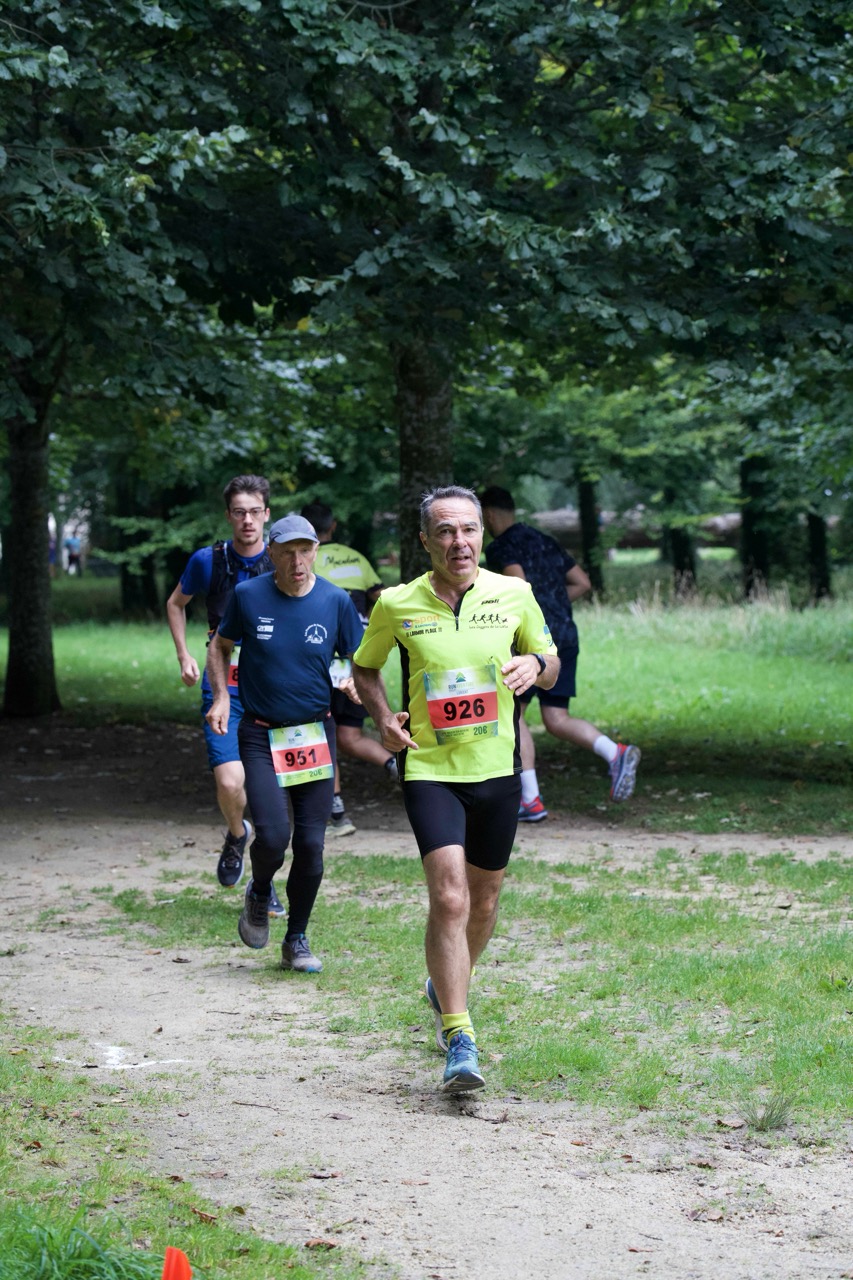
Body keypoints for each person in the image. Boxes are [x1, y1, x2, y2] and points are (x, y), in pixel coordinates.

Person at [353, 485, 559, 1093]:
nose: (458, 541)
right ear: (425, 540)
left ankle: (445, 982)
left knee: (484, 900)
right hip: (430, 769)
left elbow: (550, 661)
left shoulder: (513, 594)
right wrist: (382, 718)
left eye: (468, 529)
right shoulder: (397, 603)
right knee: (449, 898)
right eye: (444, 531)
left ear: (481, 535)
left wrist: (535, 666)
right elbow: (365, 666)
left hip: (496, 771)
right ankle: (459, 1035)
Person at [206, 514, 364, 971]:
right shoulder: (248, 595)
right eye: (287, 552)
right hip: (260, 733)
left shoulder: (335, 600)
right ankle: (259, 891)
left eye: (305, 551)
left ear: (316, 550)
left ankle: (296, 938)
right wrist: (221, 697)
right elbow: (220, 645)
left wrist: (354, 680)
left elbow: (357, 658)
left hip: (314, 733)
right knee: (274, 836)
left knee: (311, 844)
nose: (297, 562)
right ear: (271, 553)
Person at [479, 486, 640, 821]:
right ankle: (615, 752)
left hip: (532, 639)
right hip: (565, 635)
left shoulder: (501, 547)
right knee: (556, 718)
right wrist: (553, 604)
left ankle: (530, 799)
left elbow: (518, 589)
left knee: (513, 714)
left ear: (489, 515)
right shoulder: (544, 539)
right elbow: (582, 583)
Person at [166, 476, 283, 912]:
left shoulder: (283, 559)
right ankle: (237, 834)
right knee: (231, 781)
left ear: (266, 514)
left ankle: (264, 881)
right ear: (229, 516)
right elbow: (175, 603)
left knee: (272, 794)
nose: (247, 520)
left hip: (273, 687)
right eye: (239, 512)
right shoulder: (208, 561)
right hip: (224, 686)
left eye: (254, 511)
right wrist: (184, 655)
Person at [301, 502, 398, 839]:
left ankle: (337, 814)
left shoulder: (304, 560)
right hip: (357, 664)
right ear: (333, 526)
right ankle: (394, 764)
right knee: (349, 736)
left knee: (323, 736)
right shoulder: (356, 558)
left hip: (318, 665)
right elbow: (381, 598)